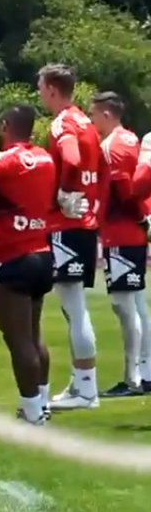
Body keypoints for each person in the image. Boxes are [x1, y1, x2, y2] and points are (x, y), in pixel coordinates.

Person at [0, 105, 57, 424]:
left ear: (4, 126)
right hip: (43, 253)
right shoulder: (46, 158)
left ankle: (32, 412)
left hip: (10, 258)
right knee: (33, 336)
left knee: (17, 340)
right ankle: (41, 403)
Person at [36, 64, 106, 410]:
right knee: (75, 308)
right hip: (85, 221)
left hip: (67, 224)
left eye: (40, 86)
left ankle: (86, 389)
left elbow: (72, 158)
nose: (38, 92)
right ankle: (83, 386)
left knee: (73, 309)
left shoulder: (63, 122)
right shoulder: (86, 122)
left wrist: (64, 191)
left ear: (51, 88)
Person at [88, 92, 151, 396]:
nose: (91, 120)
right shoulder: (131, 139)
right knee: (137, 305)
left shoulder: (111, 147)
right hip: (133, 233)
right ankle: (145, 372)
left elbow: (125, 192)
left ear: (107, 115)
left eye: (93, 114)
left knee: (124, 306)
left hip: (120, 234)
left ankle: (132, 378)